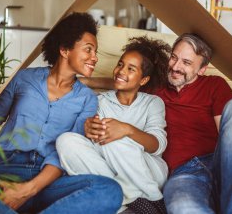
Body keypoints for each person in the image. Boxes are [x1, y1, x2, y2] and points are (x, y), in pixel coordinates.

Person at [82, 33, 232, 214]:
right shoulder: (155, 86)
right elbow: (124, 80)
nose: (176, 67)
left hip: (218, 163)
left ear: (201, 69)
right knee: (183, 208)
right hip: (184, 175)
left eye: (186, 62)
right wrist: (82, 80)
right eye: (174, 58)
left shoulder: (214, 85)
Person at [0, 12, 123, 214]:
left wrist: (27, 190)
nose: (94, 58)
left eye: (95, 52)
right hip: (4, 175)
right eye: (89, 50)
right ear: (65, 50)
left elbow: (67, 151)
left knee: (110, 190)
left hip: (48, 183)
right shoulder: (23, 79)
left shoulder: (87, 99)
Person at [57, 37, 172, 214]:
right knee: (66, 140)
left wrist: (127, 130)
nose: (120, 71)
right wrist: (87, 129)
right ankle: (123, 203)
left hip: (147, 173)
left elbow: (157, 146)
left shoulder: (153, 102)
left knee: (116, 140)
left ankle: (152, 201)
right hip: (111, 169)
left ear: (143, 80)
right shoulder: (100, 101)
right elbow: (97, 144)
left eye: (131, 69)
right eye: (120, 64)